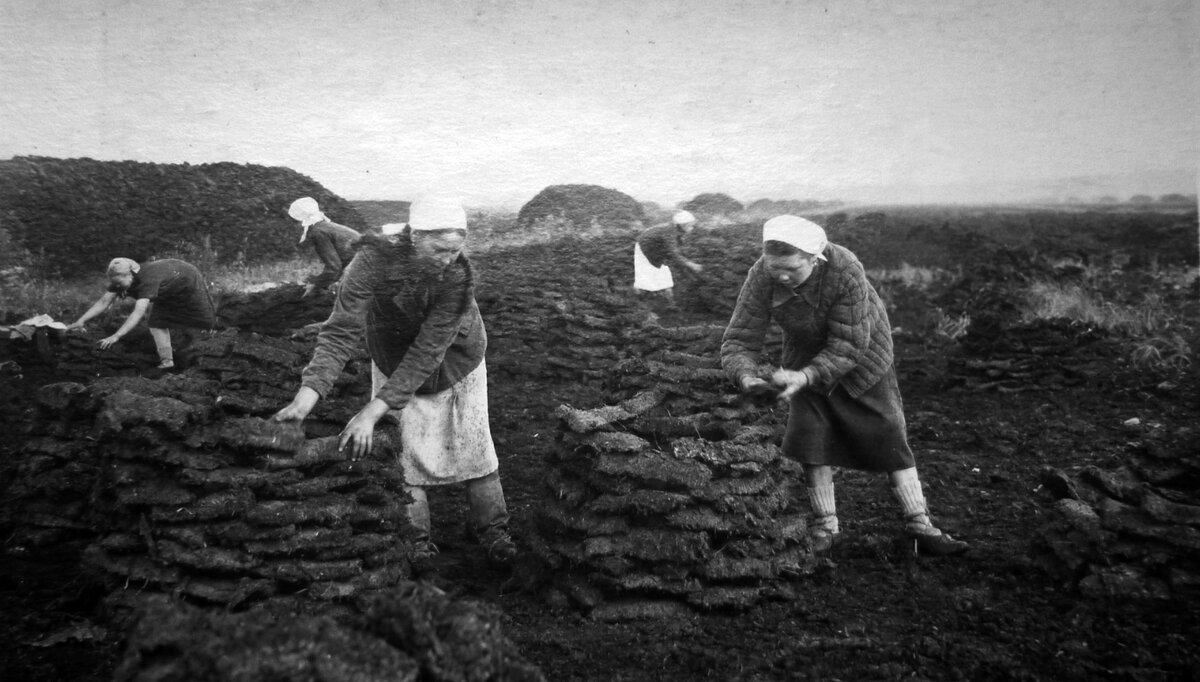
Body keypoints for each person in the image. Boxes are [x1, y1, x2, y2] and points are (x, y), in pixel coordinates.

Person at [273, 194, 516, 569]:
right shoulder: (371, 259)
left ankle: (494, 531)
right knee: (404, 453)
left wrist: (372, 410)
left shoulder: (458, 276)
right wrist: (306, 399)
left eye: (455, 250)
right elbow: (340, 332)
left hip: (458, 360)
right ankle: (417, 540)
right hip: (390, 353)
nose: (447, 259)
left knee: (474, 445)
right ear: (414, 236)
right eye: (439, 249)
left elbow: (428, 351)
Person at [721, 215, 968, 557]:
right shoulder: (762, 274)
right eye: (775, 267)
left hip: (863, 357)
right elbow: (740, 337)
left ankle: (919, 523)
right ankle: (826, 527)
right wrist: (746, 377)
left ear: (814, 257)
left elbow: (850, 343)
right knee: (811, 439)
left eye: (792, 269)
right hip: (803, 358)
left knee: (888, 434)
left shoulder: (844, 268)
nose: (781, 275)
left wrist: (806, 376)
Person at [67, 257, 216, 370]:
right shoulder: (120, 280)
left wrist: (116, 336)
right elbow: (103, 302)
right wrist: (81, 320)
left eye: (120, 283)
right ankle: (167, 361)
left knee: (205, 321)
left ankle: (213, 347)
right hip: (167, 289)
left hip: (187, 281)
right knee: (156, 323)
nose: (117, 287)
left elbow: (138, 313)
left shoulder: (148, 280)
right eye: (115, 284)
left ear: (130, 275)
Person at [287, 196, 363, 297]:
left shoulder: (318, 232)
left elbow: (334, 267)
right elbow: (342, 262)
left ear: (302, 221)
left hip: (364, 266)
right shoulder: (327, 226)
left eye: (295, 221)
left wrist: (315, 284)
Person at [633, 210, 704, 308]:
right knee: (646, 277)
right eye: (690, 225)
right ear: (683, 225)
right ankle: (638, 301)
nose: (692, 228)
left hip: (657, 249)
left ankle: (669, 303)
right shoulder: (669, 232)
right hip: (645, 250)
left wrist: (686, 263)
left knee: (663, 275)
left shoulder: (675, 229)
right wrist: (691, 264)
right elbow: (673, 252)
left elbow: (678, 249)